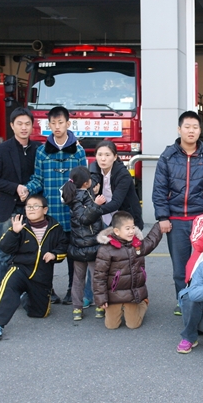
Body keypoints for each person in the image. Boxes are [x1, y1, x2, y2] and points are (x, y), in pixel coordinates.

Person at [152, 110, 203, 316]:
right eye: (187, 127)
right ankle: (183, 300)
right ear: (179, 129)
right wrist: (162, 217)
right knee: (180, 267)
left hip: (201, 219)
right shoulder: (168, 156)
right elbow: (159, 189)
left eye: (195, 127)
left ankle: (202, 300)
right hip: (175, 219)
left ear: (200, 130)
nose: (191, 131)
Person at [25, 106, 87, 304]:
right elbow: (38, 179)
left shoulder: (78, 151)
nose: (57, 127)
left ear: (68, 124)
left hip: (72, 214)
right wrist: (26, 189)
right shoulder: (42, 152)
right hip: (50, 214)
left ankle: (72, 290)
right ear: (49, 125)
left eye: (61, 123)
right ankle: (47, 290)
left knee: (73, 256)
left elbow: (84, 182)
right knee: (46, 254)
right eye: (53, 123)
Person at [0, 194, 68, 341]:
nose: (31, 209)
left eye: (35, 206)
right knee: (8, 286)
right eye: (28, 206)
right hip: (20, 269)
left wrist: (55, 255)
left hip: (42, 275)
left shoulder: (55, 227)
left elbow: (63, 247)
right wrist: (14, 232)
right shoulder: (20, 225)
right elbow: (5, 247)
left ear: (45, 210)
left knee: (40, 313)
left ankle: (25, 298)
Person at [81, 140, 144, 309]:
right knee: (100, 258)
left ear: (115, 157)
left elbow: (116, 202)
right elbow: (91, 184)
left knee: (125, 261)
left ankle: (131, 297)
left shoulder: (123, 174)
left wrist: (94, 209)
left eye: (107, 155)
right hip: (104, 219)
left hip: (125, 220)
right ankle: (90, 295)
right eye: (100, 154)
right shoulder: (94, 169)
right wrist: (94, 188)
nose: (103, 159)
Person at [0, 107, 40, 285]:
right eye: (19, 124)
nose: (24, 127)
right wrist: (15, 188)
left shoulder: (38, 149)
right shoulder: (1, 150)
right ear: (12, 126)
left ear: (32, 126)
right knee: (6, 254)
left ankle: (30, 292)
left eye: (27, 124)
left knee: (31, 253)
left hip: (31, 210)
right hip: (7, 210)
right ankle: (5, 292)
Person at [93, 211, 163, 329]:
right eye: (127, 228)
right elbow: (99, 276)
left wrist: (159, 225)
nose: (132, 231)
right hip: (114, 294)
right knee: (111, 326)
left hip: (132, 293)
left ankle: (143, 302)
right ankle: (119, 308)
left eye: (133, 227)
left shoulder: (137, 244)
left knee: (133, 325)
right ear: (117, 231)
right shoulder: (106, 250)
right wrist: (101, 299)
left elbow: (151, 241)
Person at [60, 166, 104, 321]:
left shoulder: (74, 193)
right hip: (90, 245)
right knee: (96, 277)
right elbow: (85, 218)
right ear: (86, 183)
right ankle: (99, 305)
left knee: (78, 279)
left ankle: (77, 309)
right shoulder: (80, 197)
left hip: (78, 245)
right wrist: (96, 204)